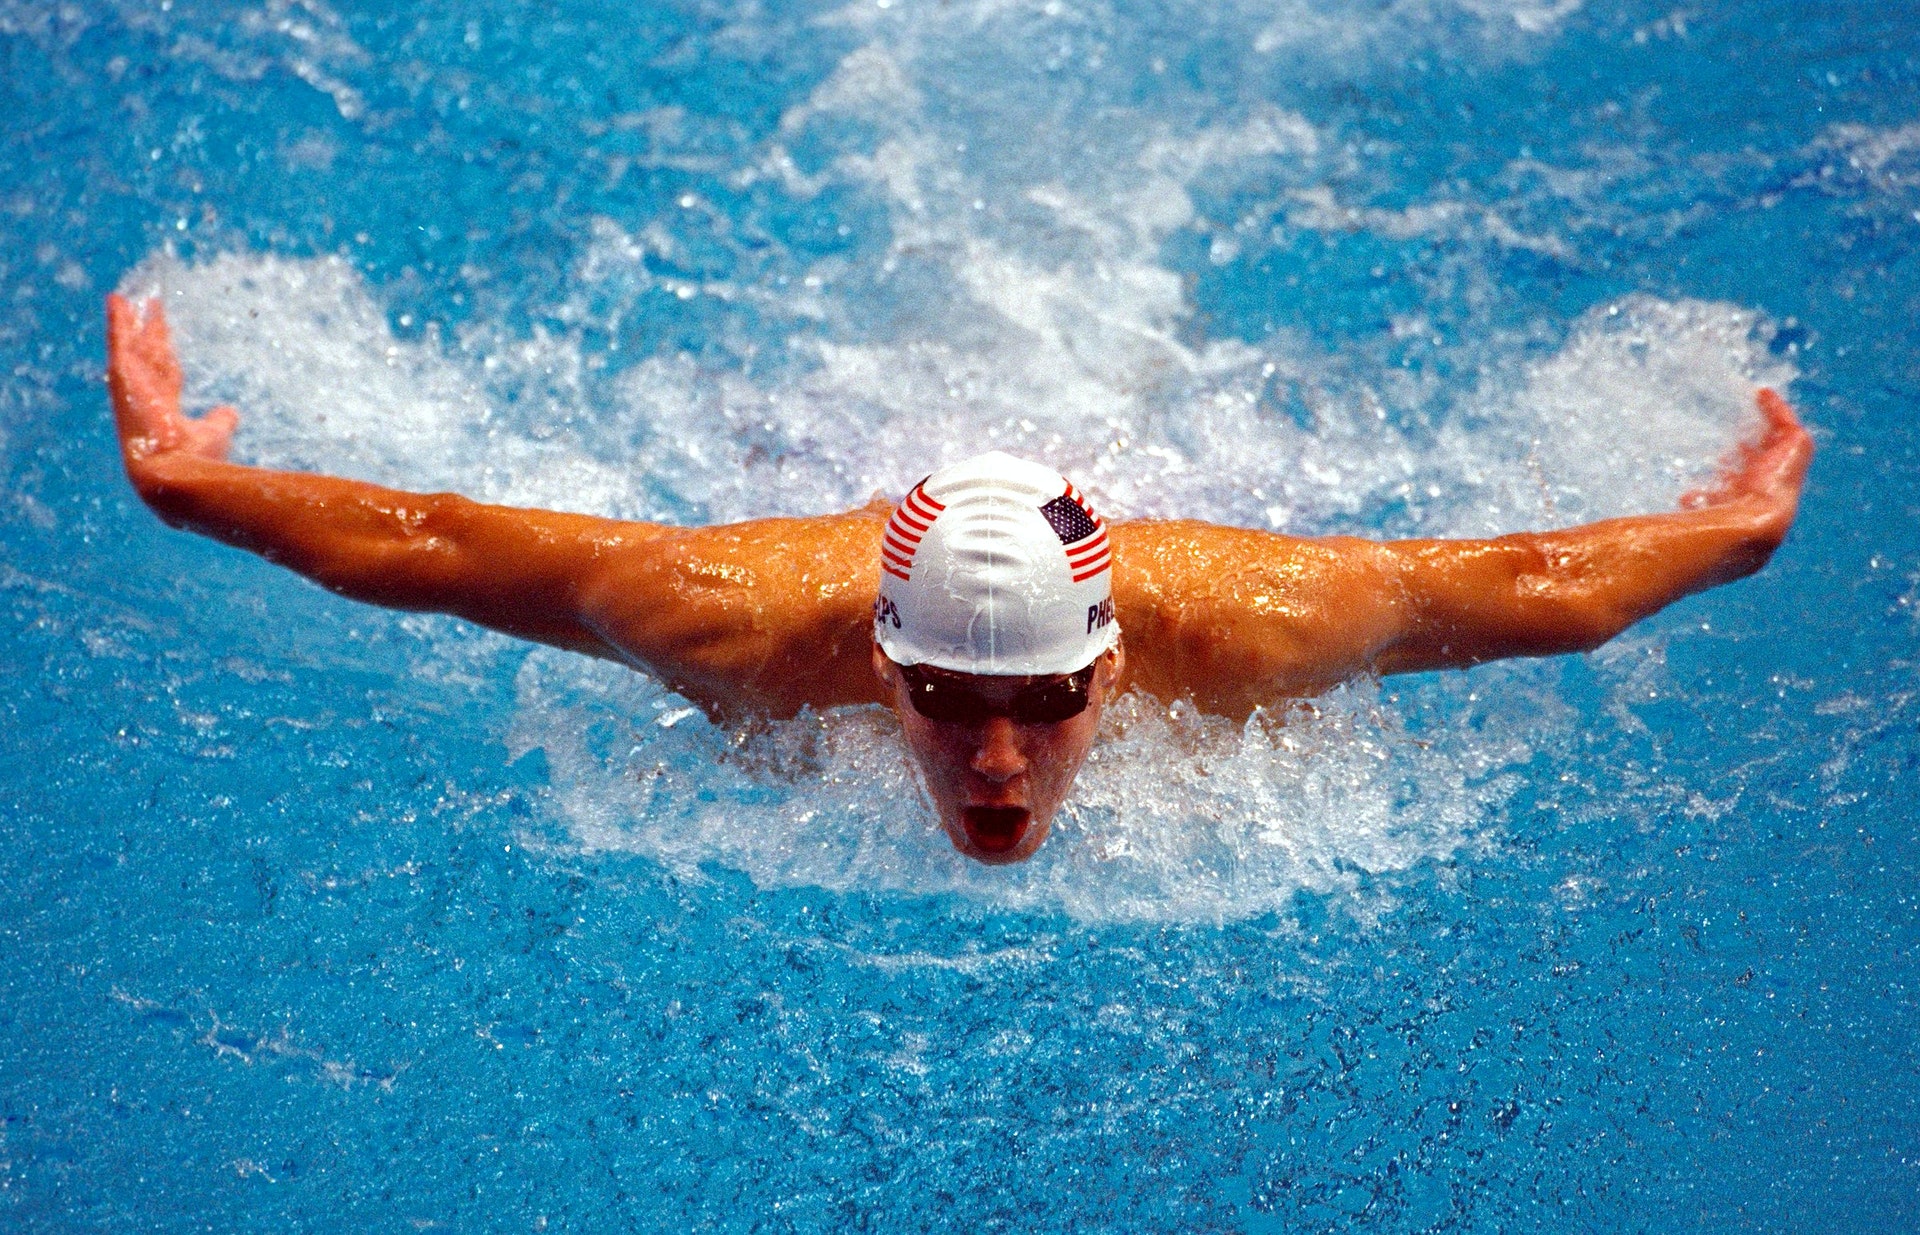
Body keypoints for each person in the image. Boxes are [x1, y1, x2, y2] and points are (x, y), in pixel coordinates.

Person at [106, 294, 1813, 864]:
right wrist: (195, 489)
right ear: (876, 651)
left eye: (1046, 705)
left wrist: (1731, 533)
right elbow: (448, 545)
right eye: (943, 703)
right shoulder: (743, 621)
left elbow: (1537, 584)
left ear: (1118, 662)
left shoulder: (1250, 622)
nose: (995, 765)